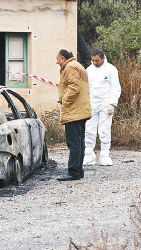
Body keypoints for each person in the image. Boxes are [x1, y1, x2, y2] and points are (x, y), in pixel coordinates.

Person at [55, 49, 92, 181]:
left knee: (74, 143)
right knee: (79, 142)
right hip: (81, 110)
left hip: (74, 111)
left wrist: (65, 101)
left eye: (58, 59)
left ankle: (73, 172)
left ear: (63, 58)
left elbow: (74, 87)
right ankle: (78, 170)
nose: (57, 62)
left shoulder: (70, 67)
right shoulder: (78, 65)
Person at [84, 49, 121, 166]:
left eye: (97, 60)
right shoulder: (88, 70)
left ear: (102, 58)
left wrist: (112, 104)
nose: (94, 62)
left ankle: (105, 155)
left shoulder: (111, 69)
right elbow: (85, 88)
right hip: (91, 104)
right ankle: (89, 155)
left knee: (104, 130)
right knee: (89, 130)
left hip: (105, 105)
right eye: (93, 60)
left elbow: (116, 87)